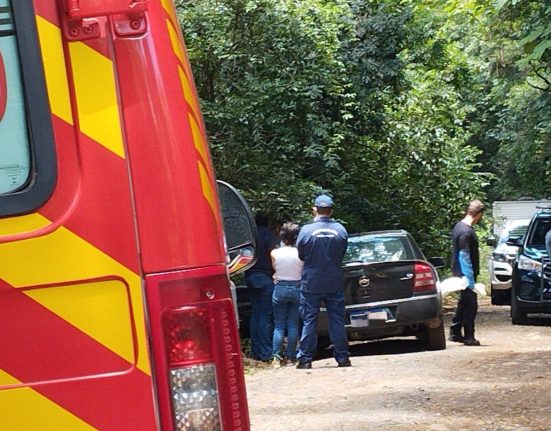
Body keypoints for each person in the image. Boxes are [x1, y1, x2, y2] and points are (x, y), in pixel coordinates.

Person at [295, 194, 350, 369]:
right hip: (334, 280)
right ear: (331, 210)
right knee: (336, 319)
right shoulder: (341, 230)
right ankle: (342, 358)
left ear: (315, 209)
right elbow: (341, 253)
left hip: (311, 281)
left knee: (309, 319)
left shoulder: (305, 231)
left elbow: (301, 255)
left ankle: (305, 359)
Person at [449, 199, 485, 346]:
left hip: (460, 272)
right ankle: (469, 337)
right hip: (465, 274)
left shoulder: (459, 226)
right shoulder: (466, 232)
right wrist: (469, 280)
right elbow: (464, 256)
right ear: (479, 214)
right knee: (471, 305)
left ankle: (455, 332)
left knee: (463, 302)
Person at [245, 213, 279, 361]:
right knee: (266, 315)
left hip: (250, 276)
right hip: (265, 277)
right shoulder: (269, 236)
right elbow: (275, 257)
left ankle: (255, 351)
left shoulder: (248, 236)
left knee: (255, 315)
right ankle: (266, 352)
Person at [270, 222, 303, 367]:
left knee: (278, 325)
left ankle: (276, 358)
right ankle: (291, 357)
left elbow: (274, 270)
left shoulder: (274, 253)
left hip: (280, 287)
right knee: (293, 325)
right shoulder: (301, 253)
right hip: (297, 287)